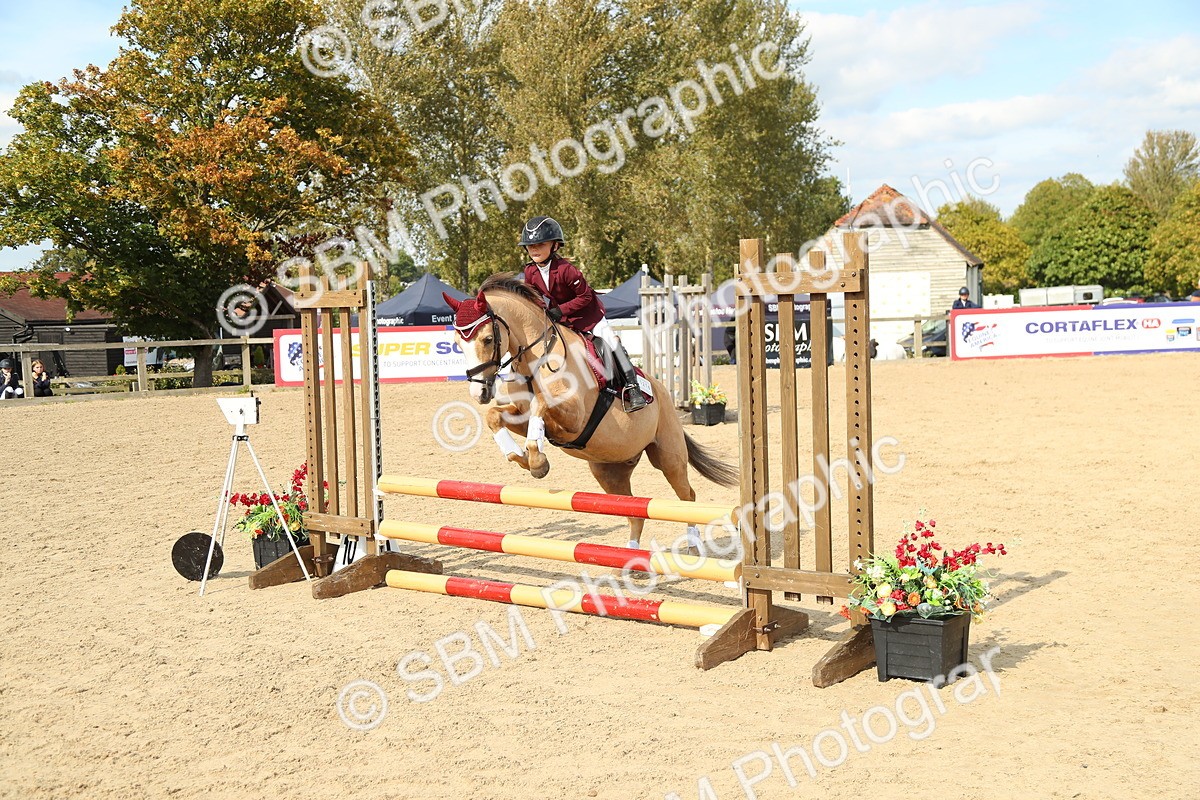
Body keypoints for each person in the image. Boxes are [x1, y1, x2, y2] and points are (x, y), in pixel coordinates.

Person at [518, 215, 647, 411]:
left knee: (611, 342)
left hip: (588, 315)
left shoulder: (567, 270)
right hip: (562, 318)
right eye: (530, 245)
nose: (534, 249)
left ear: (554, 245)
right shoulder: (530, 272)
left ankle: (633, 386)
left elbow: (585, 297)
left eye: (540, 244)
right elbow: (533, 296)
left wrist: (559, 310)